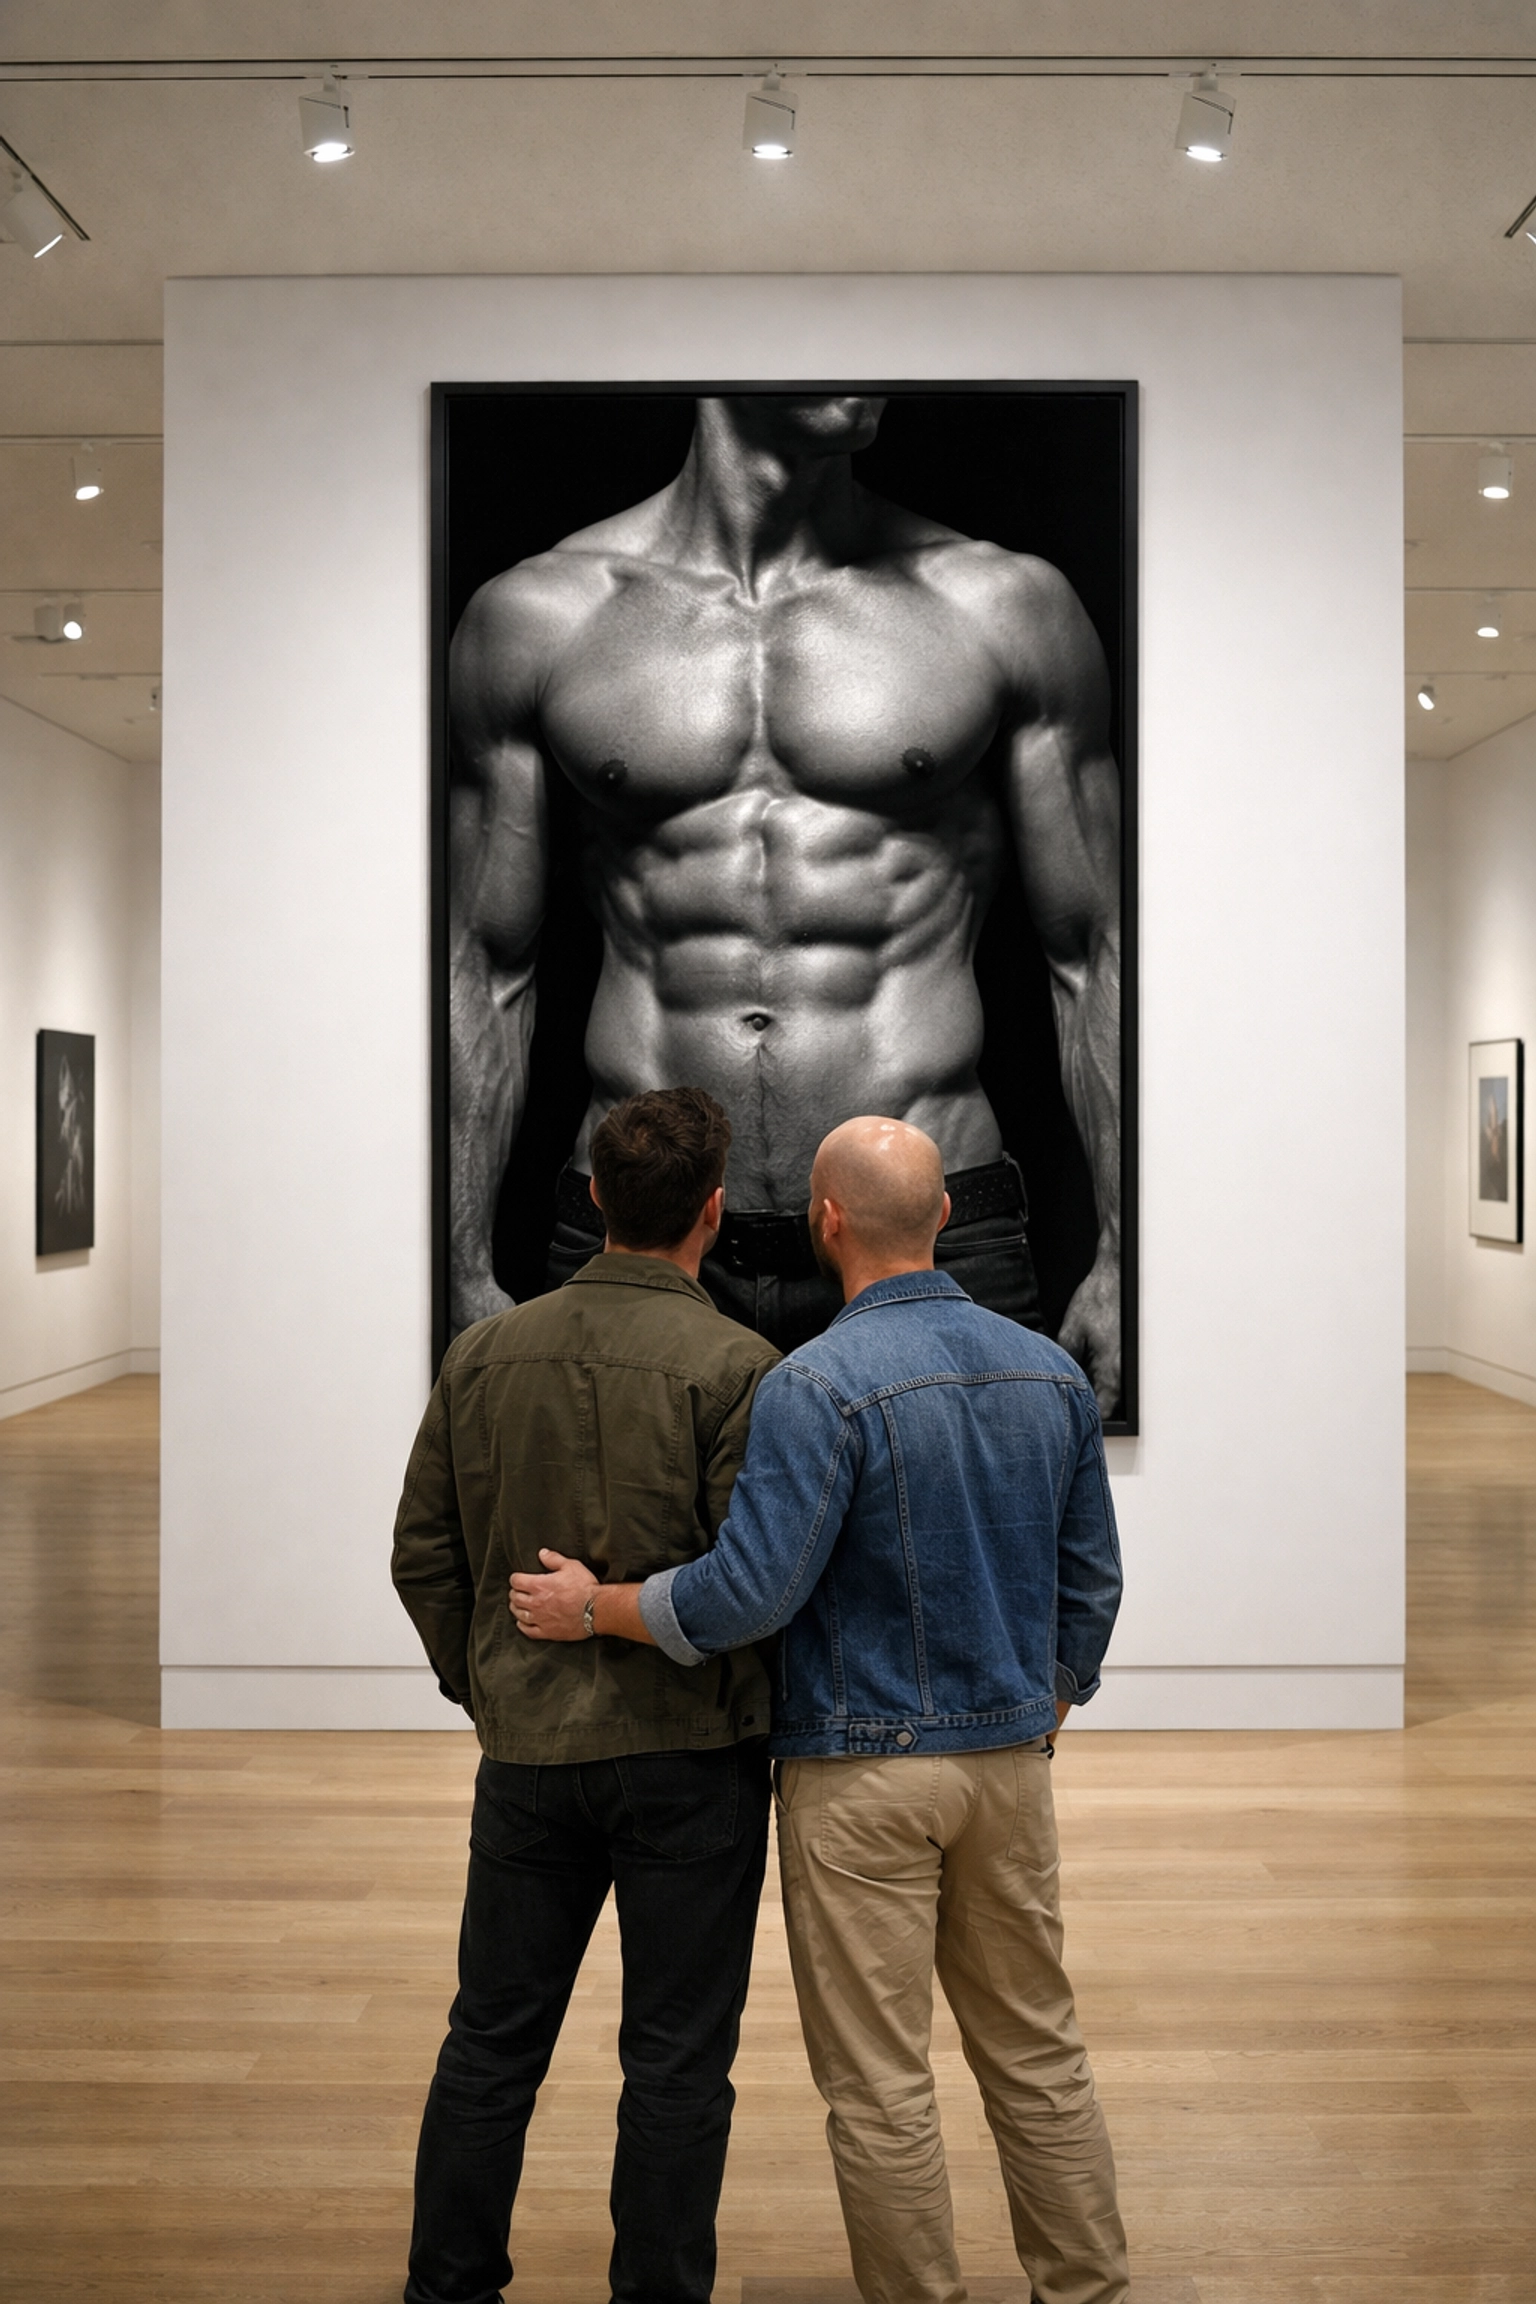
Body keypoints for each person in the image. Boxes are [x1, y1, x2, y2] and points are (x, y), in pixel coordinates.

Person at [512, 1114, 1128, 2304]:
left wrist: (600, 1608)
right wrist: (1046, 1698)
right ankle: (1089, 2291)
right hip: (1010, 1761)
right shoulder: (1048, 1371)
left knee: (883, 2085)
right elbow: (1091, 1580)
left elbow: (748, 1594)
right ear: (947, 1213)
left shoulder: (814, 1385)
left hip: (860, 1775)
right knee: (1040, 2055)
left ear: (826, 1221)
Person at [448, 391, 1122, 1408]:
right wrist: (458, 1259)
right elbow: (484, 963)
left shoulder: (998, 604)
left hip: (926, 1232)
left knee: (954, 1569)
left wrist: (1127, 1253)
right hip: (638, 1232)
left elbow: (1096, 951)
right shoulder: (544, 614)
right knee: (604, 1572)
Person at [391, 1085, 780, 2304]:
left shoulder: (483, 1352)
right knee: (676, 2062)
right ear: (711, 1214)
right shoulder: (742, 1369)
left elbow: (423, 1554)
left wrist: (489, 1686)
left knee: (491, 2043)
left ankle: (447, 2289)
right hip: (694, 1762)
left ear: (595, 1202)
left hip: (530, 1760)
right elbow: (752, 1586)